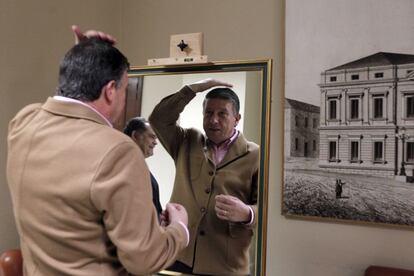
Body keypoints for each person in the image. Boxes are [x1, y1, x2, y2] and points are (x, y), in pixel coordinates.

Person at [6, 26, 189, 276]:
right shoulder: (119, 150)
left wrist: (81, 59)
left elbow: (58, 106)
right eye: (125, 89)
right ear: (110, 90)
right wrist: (179, 229)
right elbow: (145, 260)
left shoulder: (22, 124)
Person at [149, 79, 259, 276]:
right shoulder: (186, 141)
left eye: (222, 114)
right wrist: (192, 90)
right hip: (177, 255)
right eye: (208, 113)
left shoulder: (256, 155)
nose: (213, 120)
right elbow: (158, 119)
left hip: (226, 264)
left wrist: (248, 213)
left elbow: (270, 213)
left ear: (237, 118)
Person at [124, 117, 163, 220]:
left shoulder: (139, 165)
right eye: (152, 137)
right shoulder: (124, 166)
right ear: (135, 136)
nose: (155, 142)